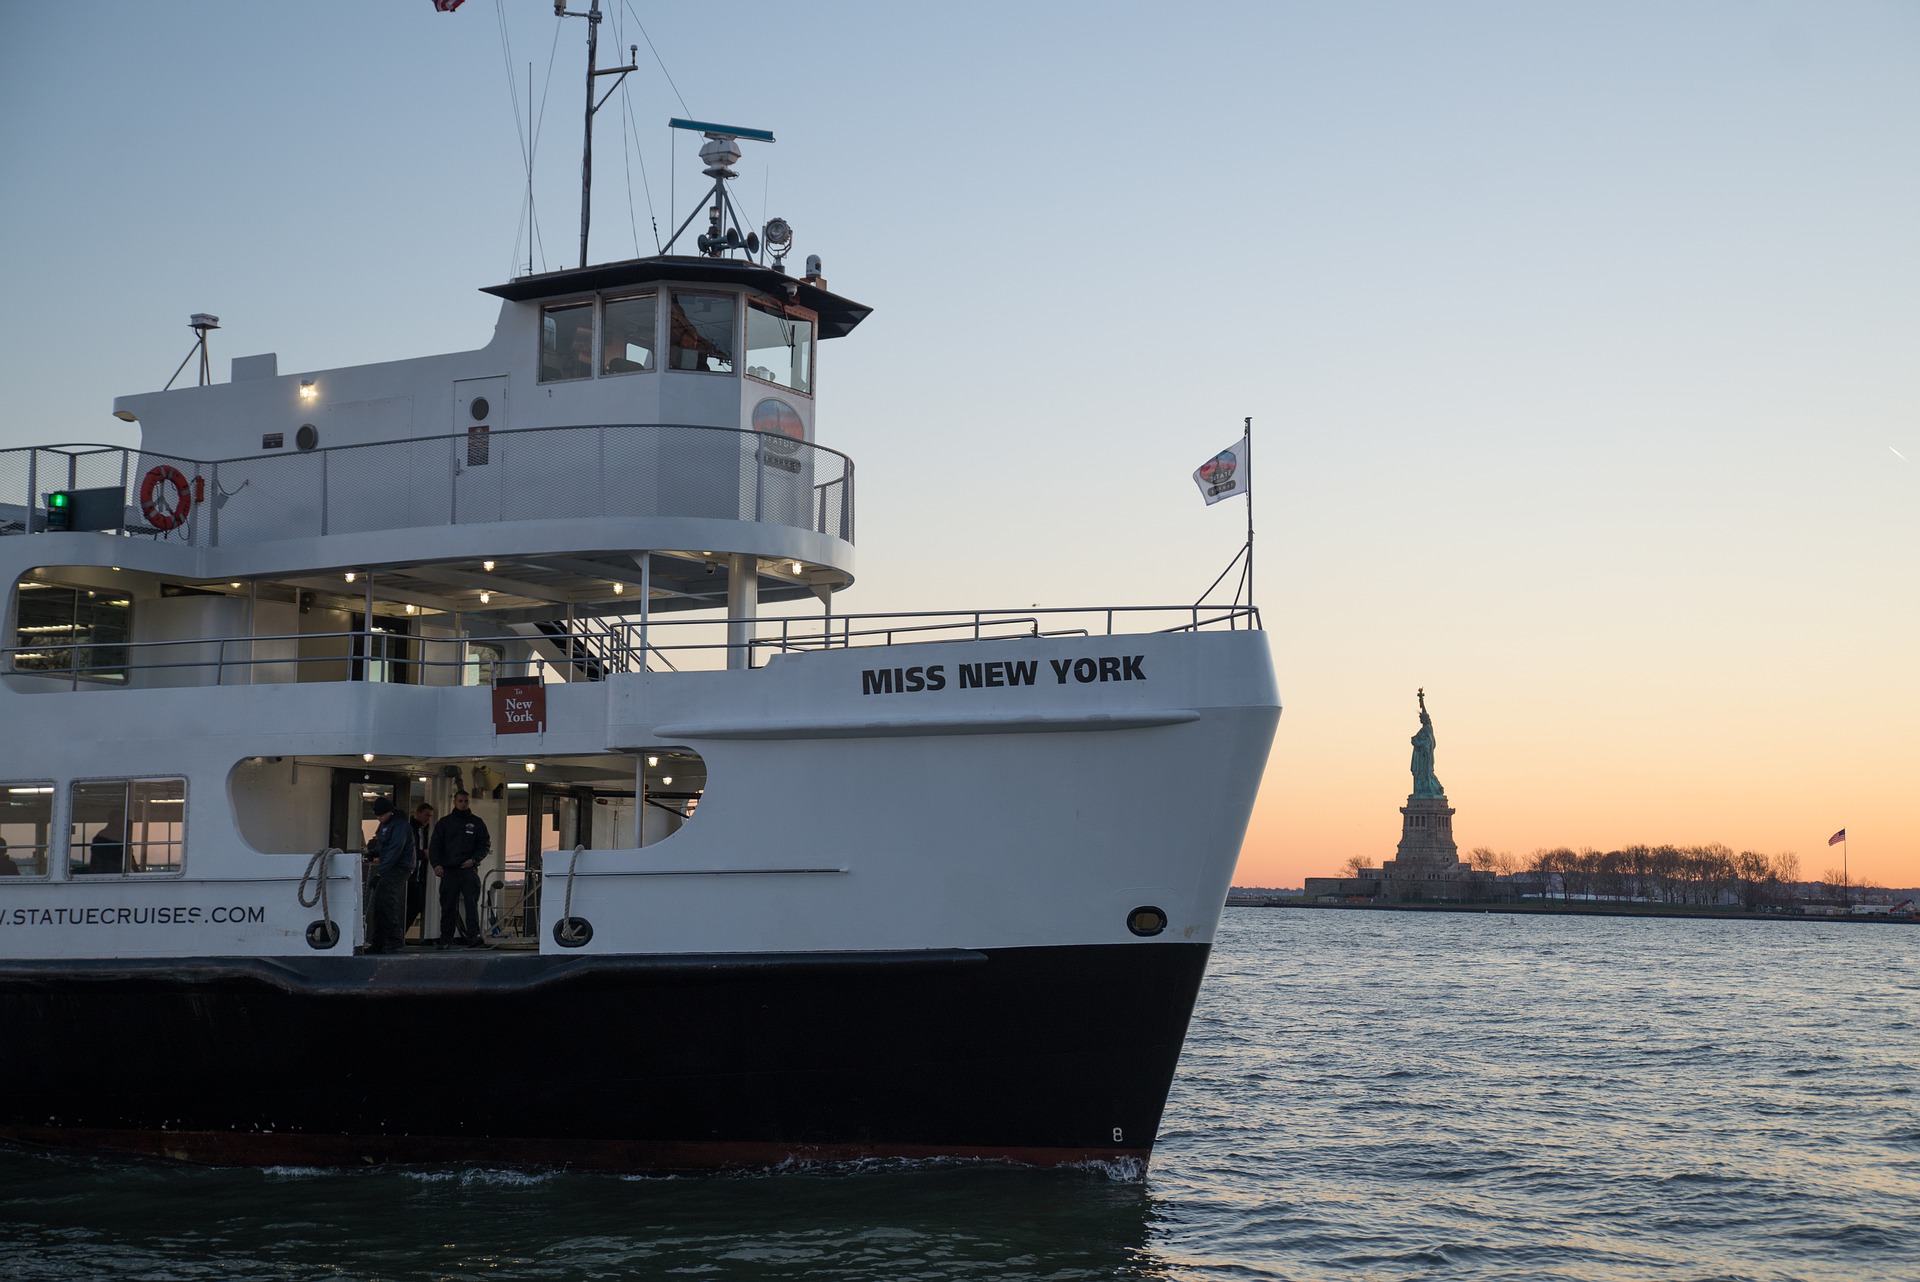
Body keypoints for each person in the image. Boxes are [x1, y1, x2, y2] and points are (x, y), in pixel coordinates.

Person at [429, 790, 490, 948]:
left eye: (466, 801)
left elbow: (484, 845)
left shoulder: (477, 823)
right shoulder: (444, 823)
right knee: (448, 906)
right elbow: (435, 846)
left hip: (468, 869)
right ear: (454, 802)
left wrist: (474, 860)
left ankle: (473, 937)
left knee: (471, 904)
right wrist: (436, 864)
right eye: (460, 801)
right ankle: (446, 939)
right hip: (449, 870)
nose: (463, 804)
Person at [363, 797, 414, 954]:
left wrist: (380, 873)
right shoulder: (387, 824)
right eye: (377, 816)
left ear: (389, 812)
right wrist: (372, 854)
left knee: (386, 900)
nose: (379, 819)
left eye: (381, 816)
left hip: (399, 867)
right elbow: (384, 846)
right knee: (380, 902)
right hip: (391, 867)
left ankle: (393, 940)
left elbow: (394, 851)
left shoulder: (400, 826)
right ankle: (379, 941)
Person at [407, 803, 436, 935]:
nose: (428, 818)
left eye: (430, 816)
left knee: (417, 904)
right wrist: (423, 854)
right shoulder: (410, 828)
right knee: (412, 905)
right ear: (417, 813)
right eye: (426, 815)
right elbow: (407, 851)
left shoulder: (426, 830)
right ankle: (399, 934)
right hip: (409, 874)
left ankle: (400, 933)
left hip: (419, 875)